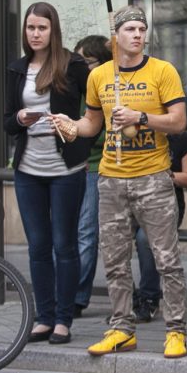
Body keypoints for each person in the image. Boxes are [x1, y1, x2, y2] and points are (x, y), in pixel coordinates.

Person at [56, 4, 187, 359]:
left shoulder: (163, 71)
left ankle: (175, 329)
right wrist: (71, 128)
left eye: (141, 30)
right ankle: (121, 329)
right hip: (111, 179)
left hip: (153, 177)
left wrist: (141, 116)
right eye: (130, 29)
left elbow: (178, 122)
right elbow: (91, 124)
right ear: (116, 36)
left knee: (166, 259)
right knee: (114, 260)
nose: (137, 35)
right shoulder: (99, 77)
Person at [4, 2, 93, 345]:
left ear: (53, 30)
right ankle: (43, 317)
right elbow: (6, 121)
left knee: (64, 244)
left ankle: (63, 320)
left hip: (66, 168)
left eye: (42, 28)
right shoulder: (17, 69)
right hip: (28, 169)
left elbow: (98, 102)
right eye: (31, 28)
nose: (36, 34)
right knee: (38, 247)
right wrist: (21, 119)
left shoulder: (73, 65)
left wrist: (83, 135)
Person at [132, 130, 187, 323]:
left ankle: (149, 298)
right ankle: (128, 300)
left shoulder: (183, 139)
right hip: (132, 199)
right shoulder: (139, 133)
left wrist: (163, 175)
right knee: (113, 237)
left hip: (167, 203)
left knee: (145, 239)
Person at [71, 34, 112, 318]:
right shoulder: (75, 88)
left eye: (87, 61)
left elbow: (99, 132)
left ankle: (76, 297)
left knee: (87, 232)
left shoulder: (107, 88)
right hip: (72, 168)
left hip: (96, 168)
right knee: (68, 233)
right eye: (78, 61)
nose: (82, 67)